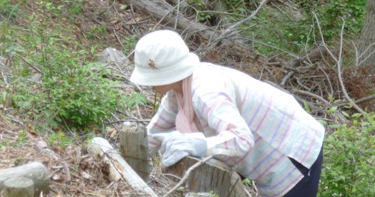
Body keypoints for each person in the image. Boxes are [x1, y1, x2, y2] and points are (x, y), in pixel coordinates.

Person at [130, 30, 325, 197]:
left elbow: (241, 139)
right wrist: (130, 156)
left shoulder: (206, 91)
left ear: (169, 72)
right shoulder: (178, 91)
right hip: (265, 149)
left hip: (291, 150)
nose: (149, 83)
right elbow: (153, 134)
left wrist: (197, 144)